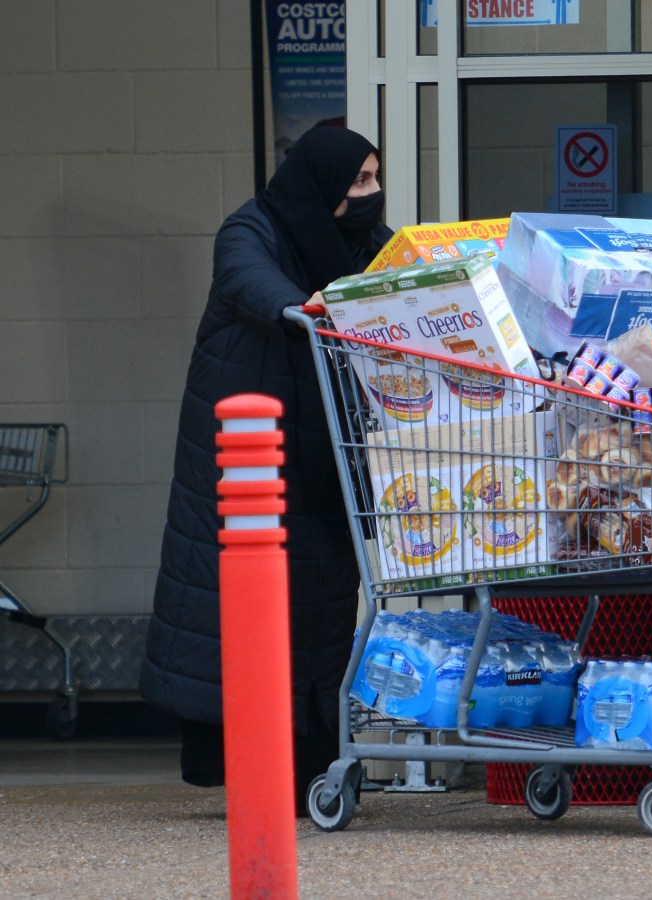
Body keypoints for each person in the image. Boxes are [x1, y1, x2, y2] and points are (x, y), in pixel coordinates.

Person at [139, 125, 391, 813]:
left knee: (323, 588)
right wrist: (298, 307)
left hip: (323, 447)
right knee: (245, 596)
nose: (372, 195)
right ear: (322, 183)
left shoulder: (363, 242)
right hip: (247, 446)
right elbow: (250, 282)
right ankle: (238, 753)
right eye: (359, 182)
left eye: (375, 179)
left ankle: (312, 757)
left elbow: (401, 285)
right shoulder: (253, 228)